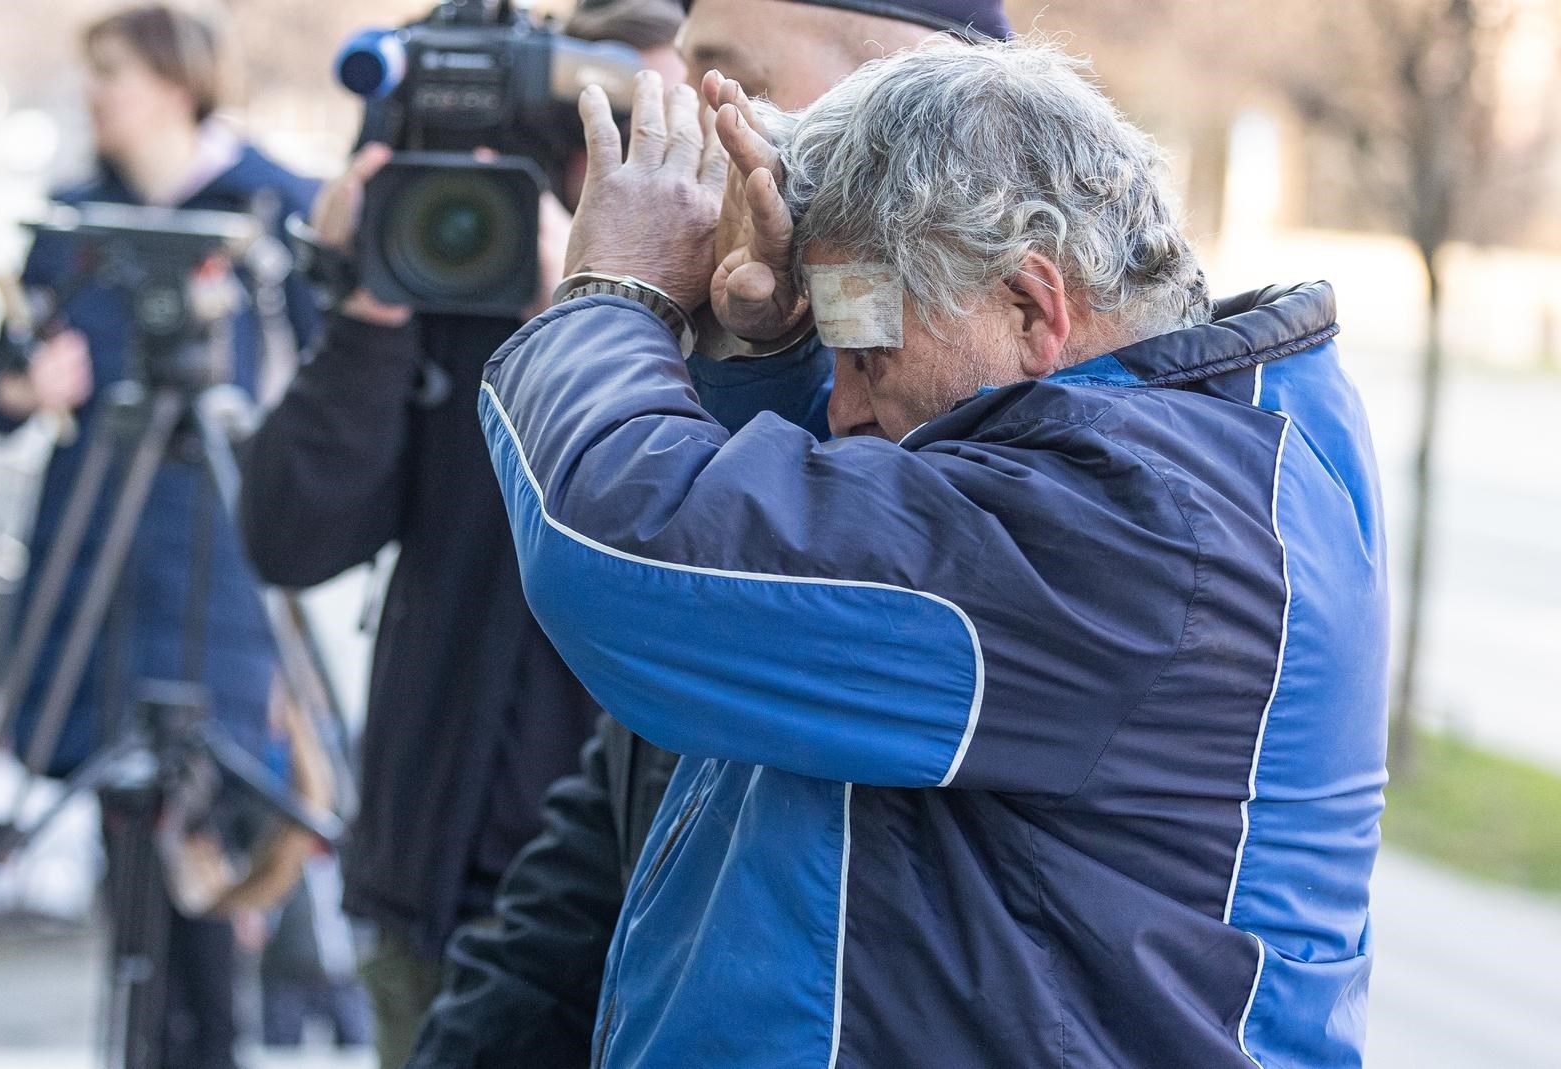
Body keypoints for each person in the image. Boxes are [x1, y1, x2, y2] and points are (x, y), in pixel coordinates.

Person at [475, 33, 1389, 1069]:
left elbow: (621, 550)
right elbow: (821, 550)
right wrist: (762, 353)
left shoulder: (1130, 524)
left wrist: (616, 291)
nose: (845, 405)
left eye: (864, 353)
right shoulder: (1173, 444)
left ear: (1032, 307)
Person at [400, 4, 1009, 1068]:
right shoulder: (822, 366)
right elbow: (627, 825)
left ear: (909, 90)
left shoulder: (1048, 472)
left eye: (721, 79)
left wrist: (610, 296)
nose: (674, 121)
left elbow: (622, 565)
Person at [237, 4, 685, 1067]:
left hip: (649, 899)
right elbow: (292, 535)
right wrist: (371, 305)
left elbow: (685, 554)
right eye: (603, 112)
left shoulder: (750, 280)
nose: (624, 148)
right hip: (435, 880)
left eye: (654, 112)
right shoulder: (467, 217)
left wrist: (582, 324)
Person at [0, 7, 318, 1069]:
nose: (95, 95)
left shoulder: (276, 211)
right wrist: (21, 387)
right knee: (117, 805)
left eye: (113, 74)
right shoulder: (73, 221)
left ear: (178, 81)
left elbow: (332, 395)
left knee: (213, 822)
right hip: (94, 554)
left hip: (218, 558)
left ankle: (214, 1042)